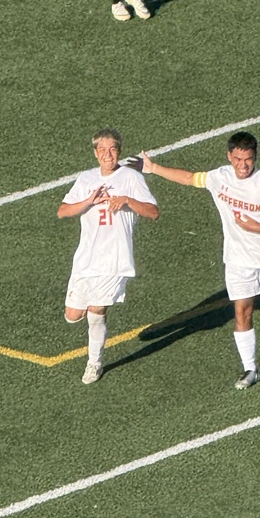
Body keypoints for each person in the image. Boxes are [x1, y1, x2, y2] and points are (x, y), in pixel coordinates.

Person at [141, 132, 260, 390]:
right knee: (242, 310)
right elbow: (190, 178)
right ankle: (251, 369)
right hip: (237, 258)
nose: (243, 165)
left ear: (255, 157)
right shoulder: (219, 177)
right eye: (238, 159)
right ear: (229, 156)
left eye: (248, 159)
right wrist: (153, 168)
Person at [58, 129, 159, 384]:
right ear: (95, 153)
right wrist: (88, 202)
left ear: (119, 151)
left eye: (112, 149)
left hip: (115, 260)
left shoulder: (131, 179)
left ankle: (94, 363)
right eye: (102, 150)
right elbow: (63, 211)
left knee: (95, 310)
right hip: (85, 259)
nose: (107, 155)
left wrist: (127, 201)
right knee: (73, 315)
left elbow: (153, 212)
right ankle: (96, 326)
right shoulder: (86, 178)